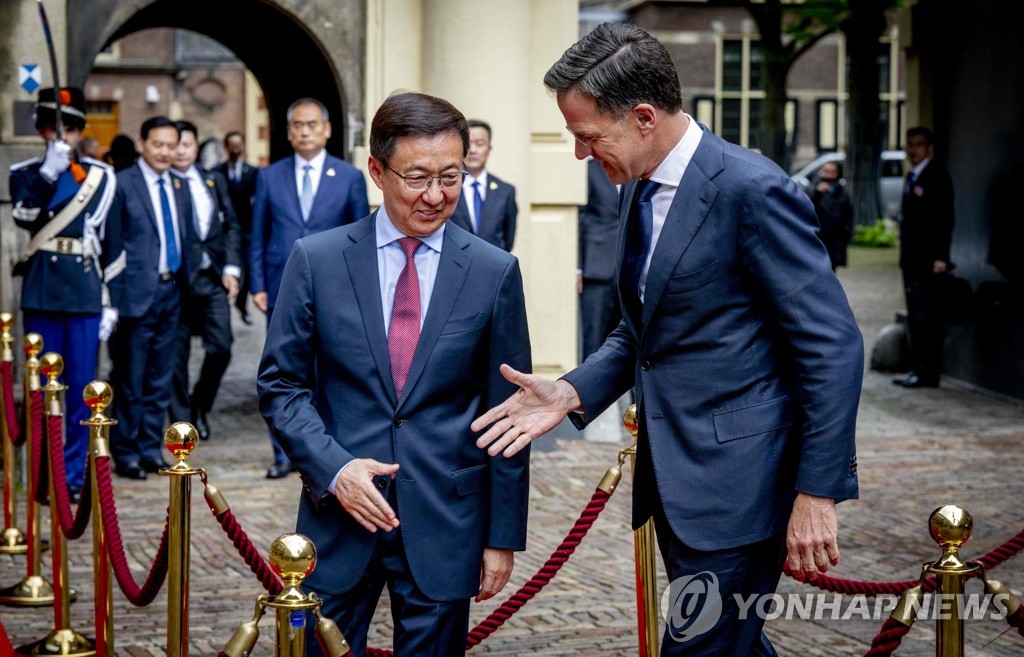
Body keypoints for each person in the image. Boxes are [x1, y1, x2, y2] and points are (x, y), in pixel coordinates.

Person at [472, 23, 862, 656]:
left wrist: (816, 491)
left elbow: (833, 345)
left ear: (644, 117)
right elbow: (642, 331)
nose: (579, 154)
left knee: (701, 647)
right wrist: (571, 391)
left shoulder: (751, 188)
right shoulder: (638, 186)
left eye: (587, 137)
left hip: (743, 486)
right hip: (676, 481)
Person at [257, 91, 531, 657]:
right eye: (417, 177)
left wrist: (501, 537)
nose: (435, 196)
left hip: (446, 520)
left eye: (450, 177)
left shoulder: (493, 270)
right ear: (377, 172)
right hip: (339, 519)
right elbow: (282, 386)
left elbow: (510, 412)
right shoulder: (318, 259)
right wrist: (336, 470)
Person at [249, 97, 369, 479]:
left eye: (311, 124)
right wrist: (256, 284)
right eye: (298, 125)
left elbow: (361, 237)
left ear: (327, 129)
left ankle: (328, 449)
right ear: (288, 132)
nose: (304, 131)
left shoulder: (348, 177)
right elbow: (257, 234)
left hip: (336, 289)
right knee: (285, 370)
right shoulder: (269, 176)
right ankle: (285, 455)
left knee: (330, 368)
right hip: (280, 285)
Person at [8, 87, 117, 501]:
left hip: (85, 290)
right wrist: (48, 175)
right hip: (43, 290)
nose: (63, 136)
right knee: (40, 389)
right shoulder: (25, 173)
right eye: (55, 127)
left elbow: (115, 243)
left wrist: (113, 300)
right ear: (42, 130)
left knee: (82, 389)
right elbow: (24, 216)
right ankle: (41, 474)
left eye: (70, 128)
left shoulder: (102, 178)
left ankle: (72, 475)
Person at [104, 116, 194, 480]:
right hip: (136, 295)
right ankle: (124, 451)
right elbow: (112, 243)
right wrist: (113, 299)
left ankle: (148, 447)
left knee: (161, 378)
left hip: (172, 291)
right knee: (131, 377)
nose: (165, 152)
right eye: (158, 144)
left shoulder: (179, 184)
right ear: (142, 144)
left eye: (171, 145)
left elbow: (186, 238)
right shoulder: (123, 183)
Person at [167, 121, 241, 441]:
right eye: (176, 144)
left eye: (187, 144)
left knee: (222, 346)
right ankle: (183, 422)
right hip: (176, 282)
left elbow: (232, 225)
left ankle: (200, 404)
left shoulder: (213, 180)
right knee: (176, 354)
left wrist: (232, 269)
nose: (181, 150)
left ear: (196, 147)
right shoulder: (163, 182)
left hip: (212, 278)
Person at [893, 126, 955, 389]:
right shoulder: (912, 177)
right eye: (909, 145)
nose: (912, 150)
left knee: (928, 317)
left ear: (928, 147)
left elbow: (944, 218)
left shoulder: (936, 176)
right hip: (911, 260)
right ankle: (918, 368)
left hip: (929, 261)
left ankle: (928, 372)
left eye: (918, 145)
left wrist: (941, 256)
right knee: (916, 315)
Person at [448, 120, 518, 251]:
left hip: (493, 266)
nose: (473, 150)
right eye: (468, 144)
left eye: (479, 144)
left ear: (489, 149)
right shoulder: (447, 186)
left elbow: (508, 241)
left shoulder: (505, 191)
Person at [213, 131, 258, 325]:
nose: (234, 149)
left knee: (246, 270)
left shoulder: (253, 172)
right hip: (225, 230)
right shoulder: (217, 172)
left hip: (247, 228)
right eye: (231, 145)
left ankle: (241, 304)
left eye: (238, 145)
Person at [578, 157, 622, 359]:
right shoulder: (588, 169)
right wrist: (577, 267)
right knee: (594, 339)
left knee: (629, 340)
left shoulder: (638, 167)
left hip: (630, 268)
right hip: (596, 267)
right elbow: (579, 218)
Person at [810, 161, 854, 271]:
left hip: (835, 240)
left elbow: (848, 215)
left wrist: (846, 233)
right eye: (825, 171)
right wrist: (817, 193)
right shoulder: (813, 190)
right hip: (818, 238)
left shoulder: (842, 193)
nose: (828, 175)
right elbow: (808, 208)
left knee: (831, 269)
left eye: (831, 172)